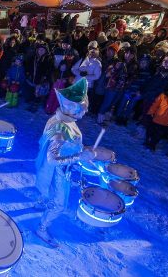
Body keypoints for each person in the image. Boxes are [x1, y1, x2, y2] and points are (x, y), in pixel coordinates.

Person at [35, 78, 96, 247]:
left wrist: (81, 152)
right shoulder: (61, 128)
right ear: (72, 108)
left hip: (60, 168)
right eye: (82, 109)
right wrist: (79, 157)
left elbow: (70, 145)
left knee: (46, 191)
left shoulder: (62, 120)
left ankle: (40, 201)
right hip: (59, 172)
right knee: (60, 204)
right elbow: (52, 159)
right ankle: (42, 228)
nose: (85, 112)